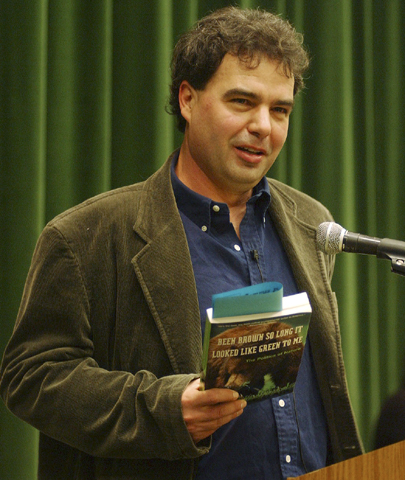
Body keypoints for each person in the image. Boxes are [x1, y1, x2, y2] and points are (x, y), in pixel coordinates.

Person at [0, 6, 363, 480]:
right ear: (188, 100)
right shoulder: (84, 236)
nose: (264, 126)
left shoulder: (310, 221)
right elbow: (32, 377)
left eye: (280, 110)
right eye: (242, 102)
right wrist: (165, 410)